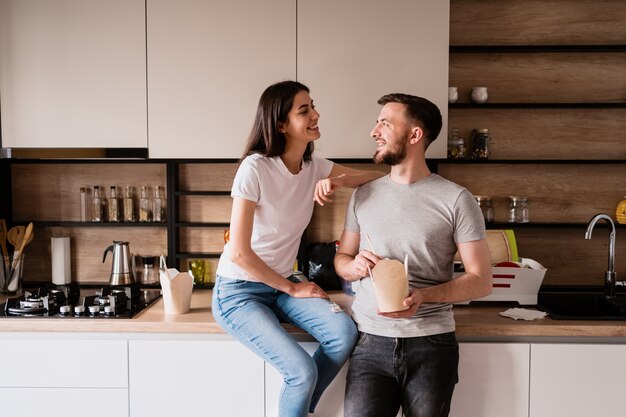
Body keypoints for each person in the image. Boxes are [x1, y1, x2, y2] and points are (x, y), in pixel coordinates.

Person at [212, 80, 385, 417]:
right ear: (280, 124)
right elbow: (239, 252)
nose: (315, 115)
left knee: (343, 334)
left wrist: (338, 180)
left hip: (280, 285)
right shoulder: (255, 168)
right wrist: (291, 287)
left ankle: (300, 408)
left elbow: (376, 178)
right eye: (304, 110)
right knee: (301, 373)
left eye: (313, 107)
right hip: (238, 292)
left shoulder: (315, 166)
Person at [334, 93, 492, 417]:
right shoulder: (363, 195)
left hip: (431, 344)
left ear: (415, 135)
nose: (374, 131)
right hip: (369, 343)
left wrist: (424, 296)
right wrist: (354, 266)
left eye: (385, 123)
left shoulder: (457, 199)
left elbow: (481, 280)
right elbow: (343, 258)